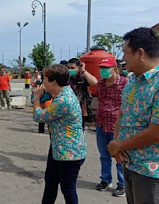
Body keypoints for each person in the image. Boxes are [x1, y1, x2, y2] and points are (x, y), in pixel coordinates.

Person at [107, 27, 159, 204]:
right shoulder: (133, 81)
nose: (122, 59)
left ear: (140, 53)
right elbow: (123, 113)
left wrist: (120, 145)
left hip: (150, 172)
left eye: (125, 53)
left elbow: (156, 132)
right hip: (130, 164)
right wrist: (117, 145)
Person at [33, 64, 86, 204]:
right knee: (50, 183)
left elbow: (40, 117)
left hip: (70, 152)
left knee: (68, 189)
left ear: (53, 81)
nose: (42, 82)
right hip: (59, 148)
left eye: (44, 79)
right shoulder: (61, 94)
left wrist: (36, 98)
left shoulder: (64, 100)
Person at [94, 58, 128, 197]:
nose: (103, 70)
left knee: (119, 155)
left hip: (117, 126)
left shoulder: (125, 83)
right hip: (101, 123)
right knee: (104, 155)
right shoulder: (101, 84)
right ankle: (106, 180)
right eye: (101, 67)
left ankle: (122, 184)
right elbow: (100, 100)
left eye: (106, 67)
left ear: (115, 68)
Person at [67, 58, 98, 129]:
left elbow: (94, 82)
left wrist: (83, 71)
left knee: (79, 131)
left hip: (80, 110)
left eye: (72, 68)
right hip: (66, 109)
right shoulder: (65, 78)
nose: (70, 70)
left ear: (78, 68)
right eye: (68, 68)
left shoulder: (82, 77)